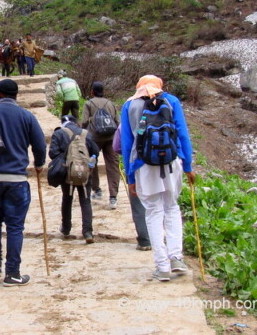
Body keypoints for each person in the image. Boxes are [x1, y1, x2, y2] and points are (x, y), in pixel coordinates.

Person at [121, 75, 195, 281]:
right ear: (159, 86)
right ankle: (176, 258)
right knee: (171, 207)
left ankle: (162, 266)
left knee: (153, 212)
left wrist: (130, 177)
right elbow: (182, 133)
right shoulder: (171, 101)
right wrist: (188, 165)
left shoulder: (129, 106)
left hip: (143, 165)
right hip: (171, 162)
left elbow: (128, 145)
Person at [0, 79, 46, 286]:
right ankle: (12, 273)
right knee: (15, 227)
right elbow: (39, 144)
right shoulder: (27, 116)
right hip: (16, 178)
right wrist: (39, 164)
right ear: (16, 94)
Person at [49, 115, 99, 243]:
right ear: (75, 122)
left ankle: (66, 228)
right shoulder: (86, 134)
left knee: (67, 198)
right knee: (85, 200)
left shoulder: (59, 133)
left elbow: (52, 153)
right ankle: (87, 232)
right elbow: (95, 152)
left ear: (62, 123)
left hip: (67, 172)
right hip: (84, 172)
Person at [81, 81, 121, 209]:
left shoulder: (88, 104)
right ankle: (113, 197)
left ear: (92, 91)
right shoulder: (110, 103)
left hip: (94, 139)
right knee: (113, 166)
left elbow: (84, 121)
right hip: (111, 138)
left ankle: (96, 190)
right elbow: (118, 122)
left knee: (92, 163)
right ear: (103, 91)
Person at [113, 124, 151, 251]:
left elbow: (117, 146)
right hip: (158, 167)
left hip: (135, 166)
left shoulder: (125, 124)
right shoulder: (159, 114)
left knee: (138, 204)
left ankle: (145, 240)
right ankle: (159, 237)